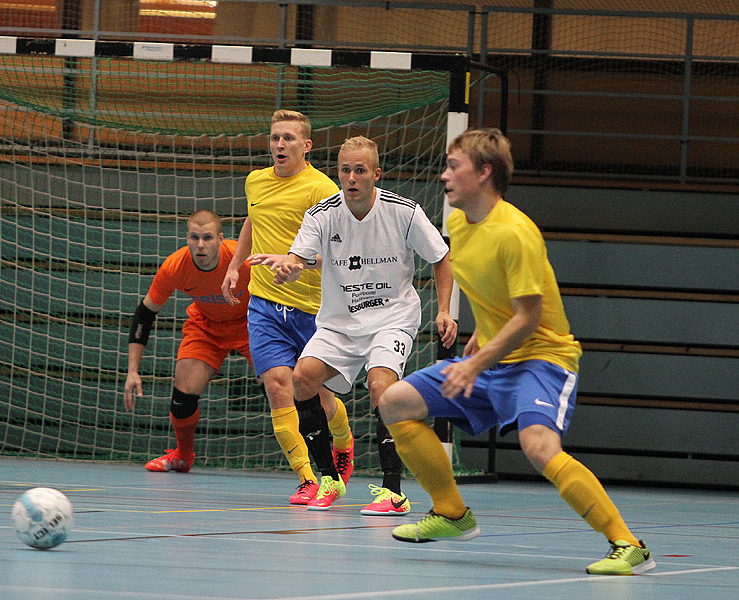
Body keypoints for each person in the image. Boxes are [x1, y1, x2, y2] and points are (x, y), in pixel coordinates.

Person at [378, 128, 655, 575]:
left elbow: (528, 317)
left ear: (484, 172)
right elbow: (495, 299)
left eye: (454, 166)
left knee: (539, 445)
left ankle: (629, 545)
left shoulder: (516, 233)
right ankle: (451, 513)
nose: (444, 175)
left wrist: (474, 363)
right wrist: (481, 337)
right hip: (492, 356)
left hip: (542, 358)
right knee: (394, 402)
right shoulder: (456, 222)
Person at [251, 136, 458, 512]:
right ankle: (328, 480)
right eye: (345, 170)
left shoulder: (404, 212)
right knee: (302, 378)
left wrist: (444, 310)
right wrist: (288, 268)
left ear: (375, 174)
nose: (351, 177)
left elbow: (441, 258)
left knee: (382, 387)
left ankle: (393, 491)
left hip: (391, 319)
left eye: (359, 170)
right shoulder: (321, 214)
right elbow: (300, 258)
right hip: (339, 323)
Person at [221, 110, 354, 505]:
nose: (280, 145)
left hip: (313, 307)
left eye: (289, 139)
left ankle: (343, 444)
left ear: (306, 146)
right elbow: (252, 220)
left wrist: (296, 262)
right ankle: (309, 478)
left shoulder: (322, 189)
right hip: (264, 303)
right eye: (276, 138)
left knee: (315, 394)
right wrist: (234, 266)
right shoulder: (255, 181)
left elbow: (338, 250)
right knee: (278, 386)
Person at [124, 209, 253, 473]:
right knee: (182, 395)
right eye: (194, 237)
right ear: (187, 238)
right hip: (206, 326)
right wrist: (132, 371)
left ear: (220, 238)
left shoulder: (242, 260)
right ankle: (183, 456)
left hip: (251, 323)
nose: (200, 245)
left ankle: (310, 463)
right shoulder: (175, 266)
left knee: (280, 388)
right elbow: (145, 314)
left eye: (207, 237)